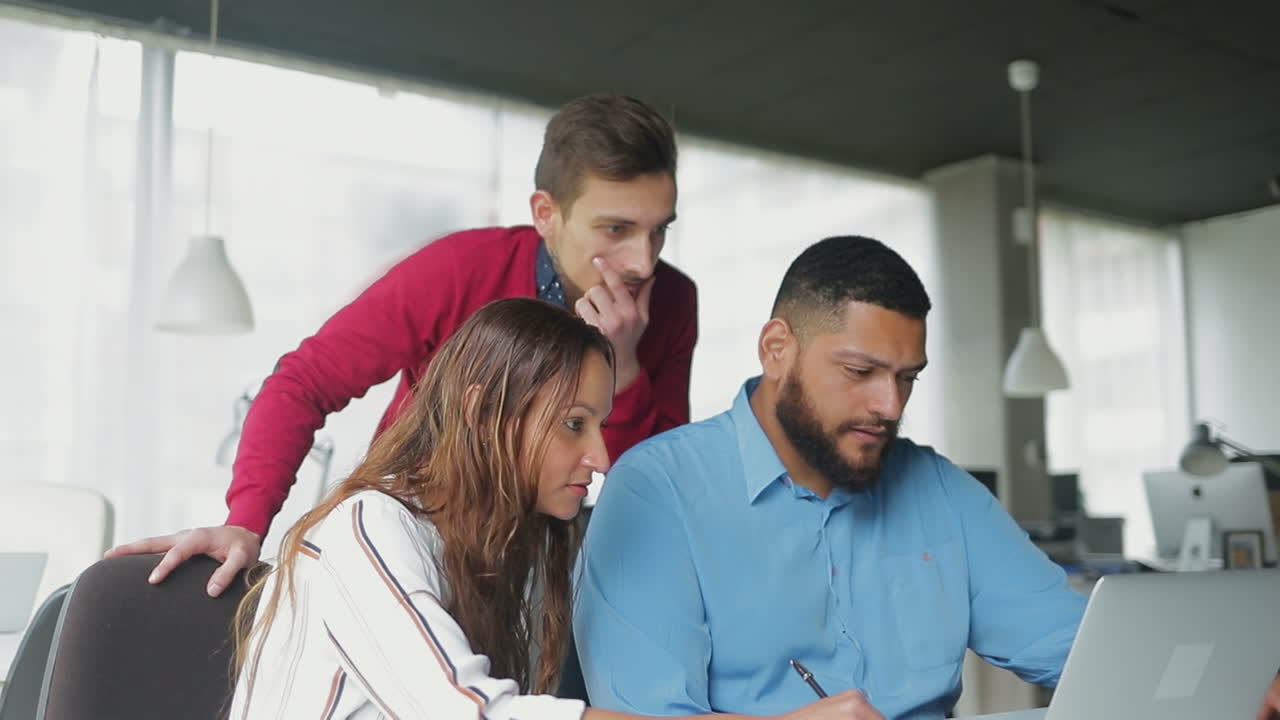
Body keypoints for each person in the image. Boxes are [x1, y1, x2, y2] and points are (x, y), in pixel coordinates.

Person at [572, 236, 1280, 719]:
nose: (890, 405)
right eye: (860, 372)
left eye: (907, 378)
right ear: (777, 348)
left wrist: (1247, 680)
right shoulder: (657, 492)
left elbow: (1081, 646)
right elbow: (640, 719)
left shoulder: (939, 490)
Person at [107, 93, 698, 598]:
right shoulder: (459, 269)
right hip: (412, 539)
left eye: (660, 230)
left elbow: (657, 493)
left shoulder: (672, 302)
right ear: (546, 213)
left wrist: (624, 369)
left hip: (549, 564)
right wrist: (246, 521)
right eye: (616, 230)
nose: (643, 262)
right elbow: (303, 382)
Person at [229, 298, 871, 720]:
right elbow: (477, 716)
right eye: (573, 424)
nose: (600, 456)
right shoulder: (366, 527)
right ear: (484, 412)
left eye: (599, 425)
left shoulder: (499, 551)